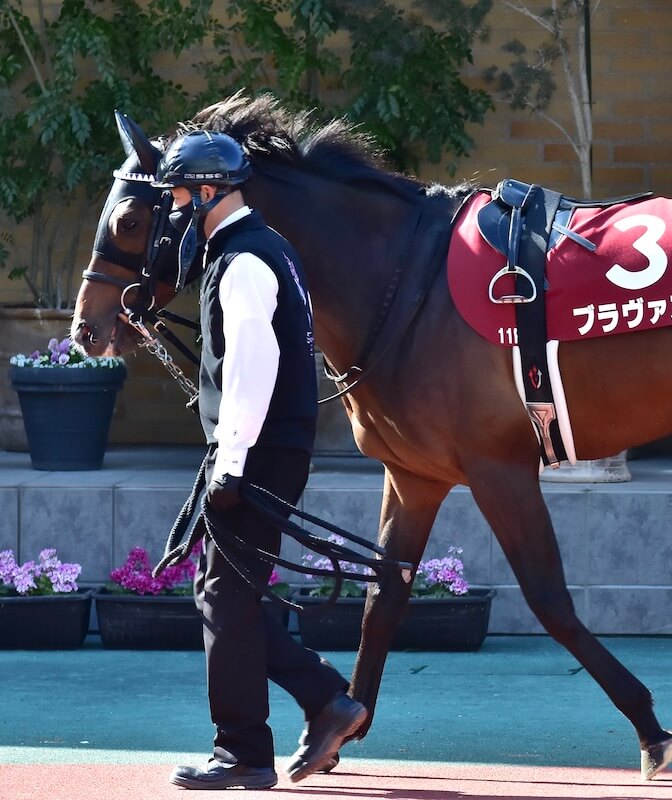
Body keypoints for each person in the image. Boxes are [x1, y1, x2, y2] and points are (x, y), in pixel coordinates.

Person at [154, 130, 367, 790]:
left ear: (212, 192)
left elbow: (253, 368)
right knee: (228, 597)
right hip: (265, 452)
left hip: (255, 455)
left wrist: (230, 465)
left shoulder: (245, 259)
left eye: (182, 194)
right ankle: (326, 699)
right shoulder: (258, 248)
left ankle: (244, 754)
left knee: (224, 597)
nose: (176, 207)